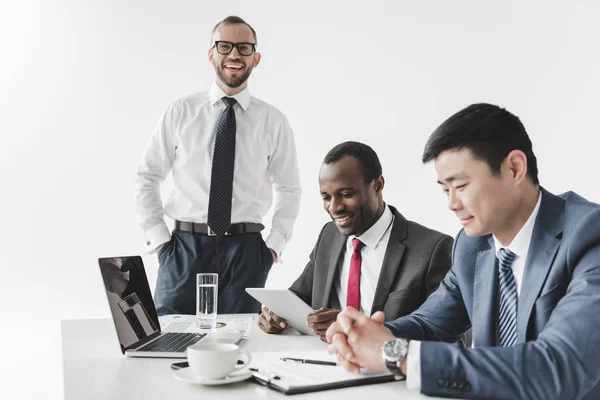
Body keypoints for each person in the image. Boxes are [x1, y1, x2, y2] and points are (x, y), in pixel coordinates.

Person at [326, 103, 600, 399]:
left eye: (462, 185)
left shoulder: (589, 236)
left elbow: (558, 367)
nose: (452, 204)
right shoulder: (472, 245)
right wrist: (360, 336)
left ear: (514, 168)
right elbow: (430, 325)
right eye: (445, 189)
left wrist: (396, 354)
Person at [134, 16, 301, 315]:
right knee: (169, 341)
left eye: (244, 48)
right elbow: (147, 177)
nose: (234, 55)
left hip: (247, 252)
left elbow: (289, 189)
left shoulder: (273, 121)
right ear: (211, 54)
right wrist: (161, 243)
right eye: (224, 46)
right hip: (184, 249)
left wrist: (272, 249)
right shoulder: (180, 112)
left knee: (241, 347)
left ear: (256, 58)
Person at [259, 141, 453, 341]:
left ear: (377, 185)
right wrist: (275, 315)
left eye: (345, 194)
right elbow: (298, 298)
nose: (334, 207)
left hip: (387, 368)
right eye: (326, 197)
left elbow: (440, 331)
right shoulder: (329, 235)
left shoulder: (432, 249)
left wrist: (360, 329)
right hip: (320, 362)